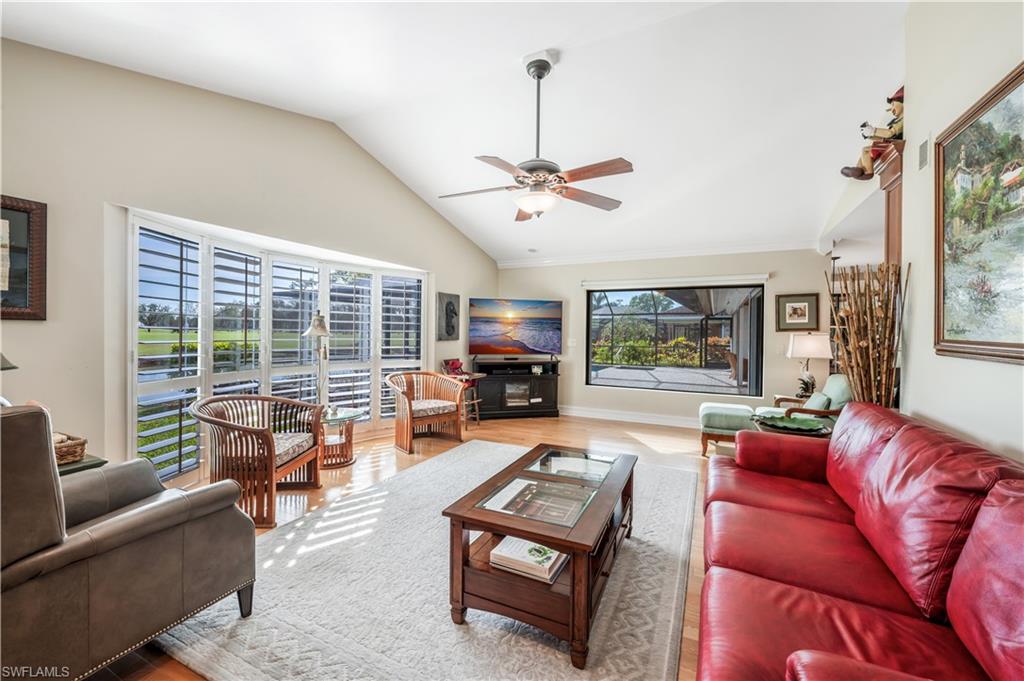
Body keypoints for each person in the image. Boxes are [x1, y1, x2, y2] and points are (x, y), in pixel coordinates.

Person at [841, 86, 904, 180]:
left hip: (894, 144)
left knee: (865, 150)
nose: (891, 109)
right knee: (864, 154)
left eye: (893, 104)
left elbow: (889, 133)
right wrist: (870, 135)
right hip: (889, 142)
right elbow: (884, 138)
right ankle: (858, 170)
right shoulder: (895, 121)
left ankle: (867, 173)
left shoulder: (902, 120)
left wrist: (873, 130)